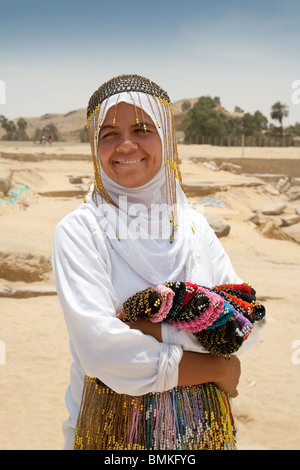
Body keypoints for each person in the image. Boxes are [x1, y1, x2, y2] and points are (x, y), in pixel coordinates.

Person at [52, 74, 260, 450]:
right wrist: (214, 365)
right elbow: (104, 352)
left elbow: (245, 325)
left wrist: (148, 328)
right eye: (109, 134)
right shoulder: (79, 231)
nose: (126, 144)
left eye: (143, 129)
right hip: (112, 436)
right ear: (94, 146)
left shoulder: (194, 227)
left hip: (205, 433)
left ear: (166, 138)